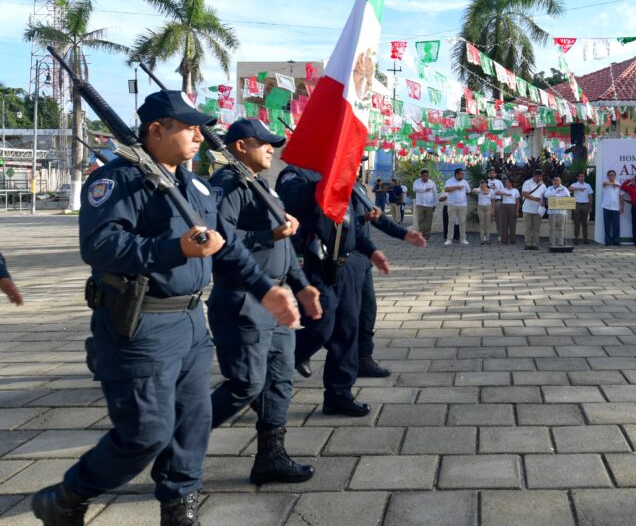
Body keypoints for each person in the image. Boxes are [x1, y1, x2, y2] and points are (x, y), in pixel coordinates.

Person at [32, 91, 299, 526]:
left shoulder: (192, 184)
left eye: (200, 126)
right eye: (189, 126)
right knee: (145, 434)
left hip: (192, 321)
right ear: (156, 131)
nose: (200, 134)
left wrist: (265, 287)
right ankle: (66, 496)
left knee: (192, 424)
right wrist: (174, 248)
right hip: (143, 325)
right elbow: (99, 245)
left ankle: (180, 505)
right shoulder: (117, 181)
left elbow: (225, 247)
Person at [207, 118, 322, 486]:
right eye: (264, 142)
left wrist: (301, 285)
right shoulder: (227, 185)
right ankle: (181, 435)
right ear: (240, 146)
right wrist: (268, 233)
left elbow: (284, 247)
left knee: (278, 381)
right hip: (243, 298)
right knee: (245, 384)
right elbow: (217, 240)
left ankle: (271, 457)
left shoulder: (262, 187)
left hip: (276, 296)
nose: (272, 148)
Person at [276, 166, 386, 418]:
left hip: (344, 262)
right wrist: (326, 180)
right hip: (315, 261)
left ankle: (339, 394)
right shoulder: (296, 174)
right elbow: (291, 202)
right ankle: (277, 368)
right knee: (320, 328)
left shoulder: (340, 174)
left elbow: (346, 218)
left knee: (348, 328)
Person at [352, 178, 427, 378]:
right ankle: (294, 353)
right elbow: (332, 223)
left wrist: (403, 234)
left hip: (362, 259)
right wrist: (362, 220)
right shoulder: (332, 183)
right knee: (328, 324)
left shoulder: (356, 186)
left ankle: (363, 359)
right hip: (342, 261)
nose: (358, 162)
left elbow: (376, 216)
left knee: (368, 311)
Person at [443, 169, 472, 246]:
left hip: (463, 205)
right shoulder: (449, 181)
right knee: (451, 222)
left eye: (463, 174)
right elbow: (446, 189)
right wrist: (456, 187)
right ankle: (449, 239)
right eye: (461, 174)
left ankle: (463, 239)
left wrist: (462, 198)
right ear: (456, 174)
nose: (463, 176)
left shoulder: (465, 182)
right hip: (452, 204)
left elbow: (468, 192)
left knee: (462, 222)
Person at [544, 176, 572, 247]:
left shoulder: (564, 189)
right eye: (555, 180)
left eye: (558, 180)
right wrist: (555, 192)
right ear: (552, 181)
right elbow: (546, 195)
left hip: (561, 212)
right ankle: (552, 243)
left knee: (561, 229)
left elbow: (568, 198)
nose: (556, 182)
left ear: (560, 181)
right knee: (552, 229)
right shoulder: (549, 188)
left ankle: (560, 243)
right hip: (552, 212)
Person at [521, 170, 546, 250]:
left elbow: (544, 197)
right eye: (537, 176)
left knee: (536, 228)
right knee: (528, 228)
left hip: (538, 210)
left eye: (540, 176)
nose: (539, 177)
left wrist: (543, 202)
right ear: (533, 175)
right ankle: (528, 243)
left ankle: (535, 243)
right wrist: (534, 199)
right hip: (527, 209)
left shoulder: (543, 186)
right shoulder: (527, 182)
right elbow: (524, 194)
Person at [412, 170, 438, 240]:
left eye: (427, 176)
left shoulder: (432, 183)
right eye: (424, 176)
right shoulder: (417, 182)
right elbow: (415, 189)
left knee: (428, 221)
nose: (425, 177)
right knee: (420, 220)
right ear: (421, 176)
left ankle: (427, 235)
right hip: (420, 204)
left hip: (429, 204)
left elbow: (435, 194)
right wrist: (425, 189)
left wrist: (435, 204)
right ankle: (421, 235)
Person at [569, 172, 594, 245]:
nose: (582, 178)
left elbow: (590, 196)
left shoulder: (587, 185)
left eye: (583, 176)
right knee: (576, 223)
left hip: (585, 205)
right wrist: (578, 188)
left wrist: (590, 206)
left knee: (585, 223)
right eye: (580, 176)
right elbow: (569, 188)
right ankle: (576, 238)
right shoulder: (575, 184)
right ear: (577, 178)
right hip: (577, 205)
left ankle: (585, 238)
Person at [600, 170, 622, 246]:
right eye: (610, 175)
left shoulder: (618, 184)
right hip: (606, 207)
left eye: (613, 175)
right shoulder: (605, 183)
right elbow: (604, 183)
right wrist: (612, 184)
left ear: (615, 176)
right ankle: (608, 241)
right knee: (607, 225)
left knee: (616, 225)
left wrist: (622, 206)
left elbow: (621, 196)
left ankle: (616, 241)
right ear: (608, 176)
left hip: (616, 207)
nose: (611, 176)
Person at [498, 178, 520, 244]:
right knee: (504, 224)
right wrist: (505, 193)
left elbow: (517, 201)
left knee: (512, 224)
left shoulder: (515, 190)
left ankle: (512, 240)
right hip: (504, 206)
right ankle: (504, 240)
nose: (506, 183)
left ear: (511, 183)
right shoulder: (503, 189)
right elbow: (496, 193)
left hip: (512, 207)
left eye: (507, 182)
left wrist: (517, 211)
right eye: (505, 182)